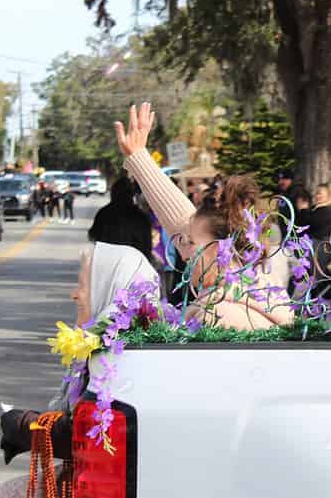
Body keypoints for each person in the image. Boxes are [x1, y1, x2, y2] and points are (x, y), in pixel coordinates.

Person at [0, 242, 160, 498]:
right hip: (106, 484)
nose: (74, 293)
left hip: (110, 496)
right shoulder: (123, 343)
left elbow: (85, 435)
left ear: (106, 288)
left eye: (83, 284)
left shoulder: (118, 357)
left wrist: (23, 425)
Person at [117, 103, 293, 329]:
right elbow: (183, 221)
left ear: (223, 249)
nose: (184, 250)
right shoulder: (260, 285)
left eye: (191, 242)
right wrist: (139, 158)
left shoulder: (216, 315)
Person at [90, 177, 153, 259]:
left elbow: (93, 235)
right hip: (134, 263)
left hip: (109, 261)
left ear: (113, 193)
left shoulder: (104, 213)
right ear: (131, 195)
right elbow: (147, 246)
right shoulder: (140, 216)